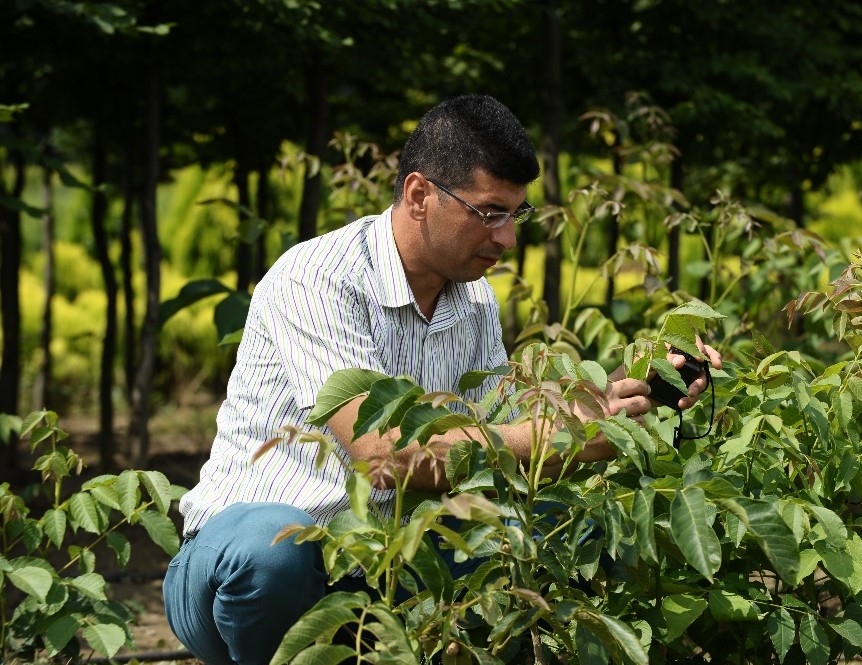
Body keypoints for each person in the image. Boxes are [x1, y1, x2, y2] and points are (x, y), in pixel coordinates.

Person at [162, 94, 721, 665]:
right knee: (276, 550)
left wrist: (622, 393)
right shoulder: (322, 279)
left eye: (515, 215)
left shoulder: (472, 298)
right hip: (237, 570)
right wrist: (568, 436)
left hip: (381, 567)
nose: (506, 238)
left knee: (561, 527)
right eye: (489, 213)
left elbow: (500, 428)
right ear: (419, 195)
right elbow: (383, 459)